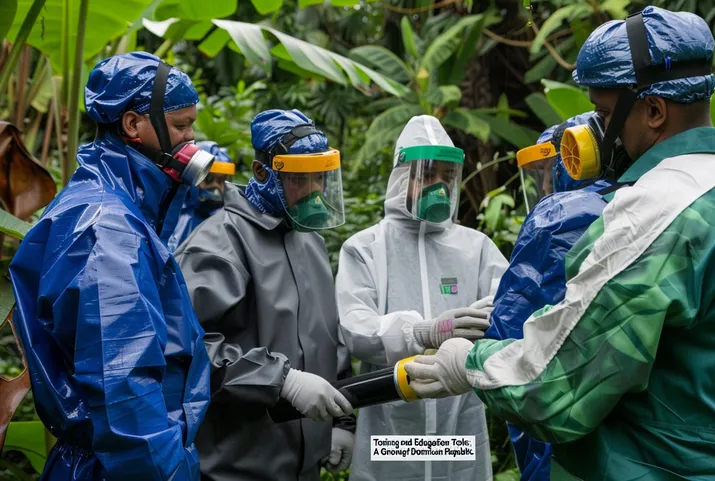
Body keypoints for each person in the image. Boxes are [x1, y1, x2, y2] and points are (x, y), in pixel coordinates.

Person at [405, 6, 715, 480]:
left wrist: (465, 364)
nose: (598, 128)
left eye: (606, 113)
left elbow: (551, 384)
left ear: (653, 110)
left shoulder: (655, 210)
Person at [9, 52, 213, 480]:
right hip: (120, 467)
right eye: (180, 125)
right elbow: (124, 388)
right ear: (133, 125)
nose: (191, 140)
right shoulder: (107, 230)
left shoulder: (115, 208)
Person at [174, 109, 355, 481]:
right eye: (300, 180)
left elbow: (328, 338)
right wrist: (281, 380)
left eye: (320, 177)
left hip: (303, 467)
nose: (315, 192)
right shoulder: (218, 245)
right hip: (234, 467)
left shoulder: (312, 242)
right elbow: (186, 348)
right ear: (262, 173)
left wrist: (344, 421)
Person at [336, 115, 509, 481]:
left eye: (447, 177)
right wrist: (423, 332)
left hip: (457, 422)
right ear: (403, 177)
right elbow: (355, 328)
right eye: (428, 175)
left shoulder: (475, 248)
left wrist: (482, 328)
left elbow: (510, 307)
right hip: (391, 424)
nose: (439, 186)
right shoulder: (366, 248)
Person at [485, 114, 615, 481]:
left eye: (547, 169)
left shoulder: (560, 216)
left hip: (559, 430)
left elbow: (509, 334)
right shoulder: (645, 200)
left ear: (574, 159)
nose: (543, 183)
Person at [169, 140, 236, 251]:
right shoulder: (175, 214)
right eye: (208, 179)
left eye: (221, 181)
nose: (216, 187)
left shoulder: (230, 219)